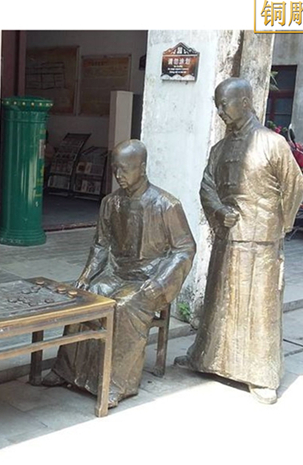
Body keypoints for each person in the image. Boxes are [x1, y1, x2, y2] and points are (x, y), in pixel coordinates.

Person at [175, 77, 303, 405]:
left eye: (225, 104)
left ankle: (261, 375)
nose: (220, 111)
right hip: (228, 238)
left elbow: (295, 186)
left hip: (261, 242)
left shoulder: (272, 143)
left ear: (245, 103)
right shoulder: (219, 149)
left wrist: (279, 225)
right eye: (217, 104)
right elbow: (207, 185)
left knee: (258, 307)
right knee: (219, 302)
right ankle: (206, 359)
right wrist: (219, 210)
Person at [42, 139, 196, 407]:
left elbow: (185, 249)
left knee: (124, 307)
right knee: (85, 298)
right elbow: (101, 245)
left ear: (142, 168)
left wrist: (160, 281)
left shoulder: (167, 205)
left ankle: (117, 384)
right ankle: (66, 369)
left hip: (149, 281)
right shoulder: (110, 203)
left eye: (125, 169)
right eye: (115, 169)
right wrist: (86, 276)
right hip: (117, 275)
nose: (118, 175)